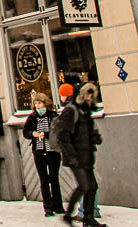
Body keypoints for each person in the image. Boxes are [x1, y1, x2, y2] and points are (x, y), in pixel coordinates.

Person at [54, 82, 105, 227]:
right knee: (84, 186)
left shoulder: (85, 112)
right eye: (88, 94)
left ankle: (88, 219)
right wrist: (72, 156)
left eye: (92, 94)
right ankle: (68, 215)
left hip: (86, 156)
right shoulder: (71, 110)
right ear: (82, 95)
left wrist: (95, 137)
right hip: (75, 157)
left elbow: (89, 133)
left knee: (92, 186)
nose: (90, 97)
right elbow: (63, 135)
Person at [22, 92, 62, 217]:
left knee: (54, 179)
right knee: (43, 180)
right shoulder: (32, 117)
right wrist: (32, 134)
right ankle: (48, 207)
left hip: (52, 151)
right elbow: (25, 131)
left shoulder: (53, 115)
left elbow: (59, 131)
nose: (38, 106)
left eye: (40, 103)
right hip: (39, 151)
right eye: (36, 103)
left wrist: (47, 134)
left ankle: (58, 205)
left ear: (45, 103)